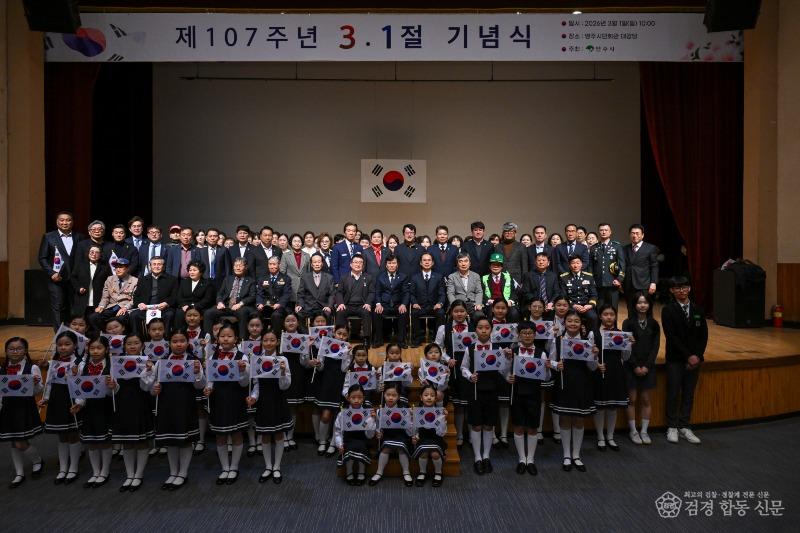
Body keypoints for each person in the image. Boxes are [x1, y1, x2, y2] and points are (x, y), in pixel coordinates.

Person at [150, 329, 205, 491]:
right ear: (169, 343)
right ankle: (173, 472)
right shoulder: (162, 361)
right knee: (171, 440)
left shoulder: (193, 360)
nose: (179, 344)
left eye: (182, 341)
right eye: (175, 341)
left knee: (185, 440)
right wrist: (155, 389)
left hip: (185, 403)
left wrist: (197, 373)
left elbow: (200, 385)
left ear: (188, 343)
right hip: (166, 404)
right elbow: (153, 384)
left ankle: (183, 473)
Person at [551, 311, 599, 473]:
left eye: (576, 321)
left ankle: (576, 455)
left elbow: (592, 367)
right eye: (569, 321)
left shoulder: (587, 341)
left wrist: (594, 356)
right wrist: (556, 365)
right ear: (564, 323)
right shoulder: (558, 340)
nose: (573, 324)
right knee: (564, 418)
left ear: (581, 324)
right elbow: (550, 361)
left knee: (579, 419)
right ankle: (566, 455)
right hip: (564, 383)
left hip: (582, 383)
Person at [662, 276, 707, 445]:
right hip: (676, 358)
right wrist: (688, 356)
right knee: (673, 392)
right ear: (672, 291)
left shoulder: (697, 309)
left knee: (688, 393)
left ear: (689, 288)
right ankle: (672, 426)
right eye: (677, 288)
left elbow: (703, 335)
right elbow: (671, 336)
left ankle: (685, 426)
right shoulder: (668, 310)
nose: (682, 290)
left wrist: (697, 355)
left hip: (694, 359)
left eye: (684, 287)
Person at [203, 322, 250, 485]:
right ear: (217, 339)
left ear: (236, 339)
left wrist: (243, 370)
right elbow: (210, 380)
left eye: (229, 336)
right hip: (218, 399)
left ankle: (234, 467)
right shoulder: (212, 357)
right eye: (222, 336)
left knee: (236, 434)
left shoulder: (242, 357)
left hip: (235, 398)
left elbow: (245, 383)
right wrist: (208, 389)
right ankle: (225, 468)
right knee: (220, 435)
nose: (225, 339)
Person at [461, 316, 507, 475]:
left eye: (487, 327)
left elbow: (503, 370)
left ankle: (486, 456)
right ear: (475, 330)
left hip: (492, 390)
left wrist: (507, 359)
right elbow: (463, 368)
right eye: (480, 327)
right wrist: (470, 376)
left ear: (491, 330)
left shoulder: (498, 349)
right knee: (476, 425)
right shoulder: (469, 349)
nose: (484, 330)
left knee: (488, 425)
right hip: (475, 391)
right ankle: (477, 457)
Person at [110, 334, 155, 492]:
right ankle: (129, 475)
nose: (132, 346)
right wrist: (112, 385)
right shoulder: (117, 362)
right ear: (124, 346)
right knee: (127, 441)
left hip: (140, 403)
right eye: (129, 343)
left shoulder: (148, 362)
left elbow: (147, 387)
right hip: (123, 404)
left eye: (136, 343)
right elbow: (114, 389)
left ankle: (139, 474)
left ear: (142, 345)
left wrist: (147, 370)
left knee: (141, 441)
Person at [246, 331, 292, 484]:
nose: (269, 343)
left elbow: (285, 386)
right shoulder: (256, 359)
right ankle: (268, 466)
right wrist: (253, 397)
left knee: (279, 434)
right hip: (264, 401)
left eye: (272, 340)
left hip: (278, 400)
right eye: (265, 340)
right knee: (265, 435)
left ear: (277, 342)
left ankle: (277, 467)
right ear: (262, 342)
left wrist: (283, 372)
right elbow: (256, 385)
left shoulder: (283, 359)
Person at [506, 321, 552, 475]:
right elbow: (504, 369)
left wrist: (547, 369)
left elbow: (546, 378)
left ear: (535, 335)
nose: (527, 335)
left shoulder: (541, 353)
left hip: (534, 394)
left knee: (533, 428)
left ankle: (530, 459)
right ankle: (522, 459)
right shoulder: (513, 351)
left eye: (530, 333)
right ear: (519, 335)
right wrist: (508, 377)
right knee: (518, 426)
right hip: (517, 393)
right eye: (524, 333)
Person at [0, 337, 45, 489]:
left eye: (19, 348)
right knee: (14, 442)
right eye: (11, 349)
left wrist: (35, 384)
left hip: (23, 408)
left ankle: (37, 461)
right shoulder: (2, 369)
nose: (15, 351)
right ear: (6, 351)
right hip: (7, 408)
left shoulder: (32, 368)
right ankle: (19, 473)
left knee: (20, 442)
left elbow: (39, 391)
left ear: (25, 351)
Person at [38, 330, 82, 484]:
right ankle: (63, 468)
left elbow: (82, 385)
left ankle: (73, 467)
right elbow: (49, 383)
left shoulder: (80, 362)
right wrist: (46, 398)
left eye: (67, 344)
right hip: (57, 399)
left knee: (73, 434)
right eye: (60, 345)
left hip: (71, 399)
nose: (63, 347)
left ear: (75, 345)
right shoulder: (53, 363)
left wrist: (79, 402)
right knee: (61, 435)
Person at [70, 335, 113, 488]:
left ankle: (105, 471)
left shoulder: (111, 366)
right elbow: (81, 388)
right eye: (92, 348)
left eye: (99, 348)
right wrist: (79, 403)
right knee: (91, 441)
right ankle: (95, 472)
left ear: (106, 350)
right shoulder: (83, 367)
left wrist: (111, 386)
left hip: (105, 406)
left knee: (105, 441)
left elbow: (113, 392)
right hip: (89, 408)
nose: (95, 351)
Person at [622, 292, 660, 445]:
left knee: (645, 399)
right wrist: (635, 366)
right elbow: (626, 347)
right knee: (632, 399)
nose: (642, 305)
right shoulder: (627, 323)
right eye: (639, 302)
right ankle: (633, 431)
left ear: (649, 305)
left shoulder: (654, 324)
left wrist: (647, 366)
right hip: (632, 366)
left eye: (645, 302)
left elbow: (655, 347)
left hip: (648, 367)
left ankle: (644, 431)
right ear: (634, 305)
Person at [592, 305, 631, 452]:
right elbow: (588, 354)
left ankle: (610, 436)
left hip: (615, 371)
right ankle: (600, 437)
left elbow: (625, 357)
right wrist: (596, 363)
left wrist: (628, 345)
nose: (609, 317)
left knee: (612, 406)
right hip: (600, 371)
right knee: (600, 406)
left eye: (612, 314)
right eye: (605, 314)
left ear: (615, 317)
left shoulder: (621, 334)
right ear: (600, 316)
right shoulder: (593, 333)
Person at [38, 211, 86, 330]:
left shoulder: (80, 237)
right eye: (62, 220)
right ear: (57, 222)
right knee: (58, 307)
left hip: (75, 279)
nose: (65, 222)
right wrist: (52, 273)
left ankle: (75, 335)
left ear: (72, 222)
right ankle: (60, 336)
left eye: (68, 220)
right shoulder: (48, 237)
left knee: (74, 308)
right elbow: (42, 258)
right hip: (56, 279)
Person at [309, 323, 350, 457]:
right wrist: (318, 363)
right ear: (334, 334)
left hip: (339, 383)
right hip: (326, 383)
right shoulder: (325, 344)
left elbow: (344, 369)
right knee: (326, 416)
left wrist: (347, 354)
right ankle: (322, 441)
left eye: (344, 335)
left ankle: (333, 443)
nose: (341, 337)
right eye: (339, 333)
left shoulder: (347, 349)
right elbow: (320, 367)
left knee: (337, 416)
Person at [435, 300, 470, 448]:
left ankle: (470, 433)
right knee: (458, 403)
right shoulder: (444, 328)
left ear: (466, 312)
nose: (459, 314)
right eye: (456, 311)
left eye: (462, 311)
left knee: (470, 402)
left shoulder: (473, 327)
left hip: (470, 368)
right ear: (451, 313)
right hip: (453, 368)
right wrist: (447, 359)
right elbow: (437, 348)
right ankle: (459, 434)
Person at [369, 386, 413, 487]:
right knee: (386, 448)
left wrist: (410, 417)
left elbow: (409, 430)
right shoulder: (380, 411)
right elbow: (378, 426)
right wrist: (378, 432)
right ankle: (379, 472)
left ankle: (406, 472)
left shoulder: (403, 410)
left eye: (394, 395)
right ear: (384, 395)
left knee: (401, 449)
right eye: (388, 395)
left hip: (401, 435)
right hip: (387, 436)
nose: (390, 398)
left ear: (398, 397)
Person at [334, 384, 376, 486]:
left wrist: (372, 419)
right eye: (353, 397)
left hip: (363, 439)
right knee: (349, 448)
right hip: (348, 439)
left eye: (359, 397)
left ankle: (361, 471)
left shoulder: (367, 412)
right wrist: (339, 444)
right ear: (348, 398)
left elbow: (370, 435)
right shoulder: (343, 413)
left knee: (361, 446)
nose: (356, 400)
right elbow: (338, 431)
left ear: (364, 398)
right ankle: (349, 471)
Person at [204, 258, 257, 338]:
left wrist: (240, 304)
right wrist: (220, 302)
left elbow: (252, 296)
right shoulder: (228, 279)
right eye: (236, 266)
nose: (238, 268)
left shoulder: (250, 281)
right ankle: (208, 340)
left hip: (240, 307)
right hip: (226, 306)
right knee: (208, 313)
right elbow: (220, 293)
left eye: (240, 266)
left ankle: (242, 340)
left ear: (246, 267)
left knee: (243, 313)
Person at [89, 258, 138, 341]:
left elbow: (135, 299)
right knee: (94, 317)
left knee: (121, 319)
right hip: (111, 307)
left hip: (124, 308)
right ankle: (105, 337)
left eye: (121, 267)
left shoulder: (135, 281)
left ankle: (124, 340)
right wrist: (101, 306)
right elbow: (105, 297)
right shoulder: (110, 279)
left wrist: (125, 307)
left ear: (127, 269)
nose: (117, 269)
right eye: (116, 267)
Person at [130, 256, 178, 337]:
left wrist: (166, 303)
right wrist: (140, 304)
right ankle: (137, 339)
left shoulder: (172, 279)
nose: (156, 266)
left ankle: (166, 340)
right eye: (154, 264)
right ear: (150, 266)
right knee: (134, 315)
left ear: (163, 266)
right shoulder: (142, 279)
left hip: (163, 309)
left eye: (159, 264)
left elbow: (175, 296)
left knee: (169, 315)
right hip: (146, 308)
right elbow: (136, 296)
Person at [412, 384, 448, 487]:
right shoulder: (417, 411)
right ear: (421, 397)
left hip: (436, 439)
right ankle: (422, 472)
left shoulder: (439, 412)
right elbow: (415, 428)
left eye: (432, 395)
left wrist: (443, 419)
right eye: (426, 395)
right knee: (423, 452)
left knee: (435, 454)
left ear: (436, 398)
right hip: (423, 438)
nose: (429, 397)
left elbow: (442, 433)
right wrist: (415, 436)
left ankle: (438, 473)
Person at [408, 252, 446, 347]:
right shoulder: (415, 277)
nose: (427, 262)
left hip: (434, 306)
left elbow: (442, 293)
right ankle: (417, 339)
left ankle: (438, 340)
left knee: (441, 312)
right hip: (420, 306)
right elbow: (411, 294)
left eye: (429, 260)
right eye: (424, 260)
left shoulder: (439, 276)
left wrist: (440, 303)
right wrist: (414, 303)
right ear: (421, 263)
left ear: (432, 263)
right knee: (414, 313)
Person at [334, 254, 375, 342]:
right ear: (351, 264)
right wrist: (340, 303)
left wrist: (368, 303)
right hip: (347, 305)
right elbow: (339, 292)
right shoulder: (344, 277)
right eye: (355, 262)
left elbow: (372, 292)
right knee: (340, 312)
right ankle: (341, 339)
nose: (358, 264)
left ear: (363, 265)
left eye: (360, 262)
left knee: (367, 312)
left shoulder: (368, 277)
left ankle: (366, 339)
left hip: (362, 305)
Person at [623, 224, 660, 319]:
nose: (635, 235)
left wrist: (653, 283)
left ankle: (646, 328)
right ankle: (632, 327)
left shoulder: (651, 248)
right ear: (629, 235)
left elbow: (654, 266)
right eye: (632, 233)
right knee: (630, 310)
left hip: (644, 285)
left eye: (637, 233)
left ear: (642, 235)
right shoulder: (625, 249)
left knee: (645, 311)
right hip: (629, 285)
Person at [372, 254, 409, 347]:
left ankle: (401, 341)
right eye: (389, 263)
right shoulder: (380, 277)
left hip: (398, 305)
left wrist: (403, 304)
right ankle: (378, 340)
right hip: (384, 305)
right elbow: (377, 292)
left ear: (397, 264)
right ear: (386, 265)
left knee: (403, 312)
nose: (391, 265)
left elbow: (406, 293)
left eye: (394, 263)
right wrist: (378, 304)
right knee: (376, 312)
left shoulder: (403, 276)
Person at [590, 223, 626, 315]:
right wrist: (591, 280)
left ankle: (613, 325)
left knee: (613, 309)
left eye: (606, 230)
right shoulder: (594, 247)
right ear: (599, 232)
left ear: (610, 232)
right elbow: (590, 266)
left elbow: (622, 265)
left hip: (612, 283)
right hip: (598, 284)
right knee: (599, 310)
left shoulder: (617, 246)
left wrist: (619, 279)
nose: (603, 232)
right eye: (601, 230)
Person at [70, 244, 111, 319]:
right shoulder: (80, 264)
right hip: (82, 298)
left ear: (100, 255)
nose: (94, 254)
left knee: (94, 320)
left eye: (97, 252)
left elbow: (109, 281)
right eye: (92, 252)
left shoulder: (105, 267)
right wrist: (78, 288)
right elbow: (73, 278)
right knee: (81, 320)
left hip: (98, 298)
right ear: (88, 253)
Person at [559, 255, 598, 332]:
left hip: (586, 306)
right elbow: (563, 296)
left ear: (581, 264)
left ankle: (590, 336)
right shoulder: (564, 277)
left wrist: (590, 305)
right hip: (571, 306)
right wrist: (573, 305)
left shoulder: (588, 276)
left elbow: (594, 295)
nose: (575, 265)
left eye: (578, 263)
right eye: (573, 263)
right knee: (571, 318)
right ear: (569, 265)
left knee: (593, 317)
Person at [174, 260, 216, 331]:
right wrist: (183, 305)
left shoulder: (207, 283)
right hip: (185, 307)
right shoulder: (184, 282)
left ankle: (203, 334)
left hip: (200, 307)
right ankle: (179, 333)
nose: (191, 272)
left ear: (201, 272)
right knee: (179, 313)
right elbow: (179, 297)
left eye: (194, 270)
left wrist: (193, 306)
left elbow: (207, 299)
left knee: (205, 314)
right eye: (190, 270)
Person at [296, 253, 335, 325]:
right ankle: (305, 332)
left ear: (322, 264)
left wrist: (329, 306)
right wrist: (300, 305)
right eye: (315, 262)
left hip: (323, 306)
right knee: (299, 313)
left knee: (328, 313)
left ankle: (326, 333)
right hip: (308, 307)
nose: (317, 264)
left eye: (319, 262)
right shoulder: (305, 277)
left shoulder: (329, 277)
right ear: (311, 264)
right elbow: (300, 293)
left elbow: (332, 294)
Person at [482, 253, 521, 323]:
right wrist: (488, 300)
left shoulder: (508, 277)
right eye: (493, 264)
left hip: (506, 303)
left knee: (514, 312)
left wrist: (511, 301)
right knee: (490, 312)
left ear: (502, 266)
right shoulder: (484, 278)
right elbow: (481, 293)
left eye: (498, 265)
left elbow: (514, 292)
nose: (495, 266)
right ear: (490, 266)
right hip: (491, 304)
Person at [257, 256, 292, 335]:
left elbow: (287, 294)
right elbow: (259, 294)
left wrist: (280, 303)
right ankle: (261, 337)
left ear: (279, 265)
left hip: (280, 307)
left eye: (274, 264)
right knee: (255, 314)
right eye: (270, 264)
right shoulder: (262, 278)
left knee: (276, 315)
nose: (272, 266)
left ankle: (277, 337)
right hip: (265, 306)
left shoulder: (286, 278)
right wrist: (259, 303)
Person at [445, 253, 484, 320]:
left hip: (472, 304)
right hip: (458, 303)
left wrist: (478, 303)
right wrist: (455, 305)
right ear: (457, 264)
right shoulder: (452, 277)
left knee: (479, 315)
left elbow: (479, 292)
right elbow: (450, 293)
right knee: (453, 316)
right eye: (460, 261)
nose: (463, 264)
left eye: (466, 261)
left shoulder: (476, 276)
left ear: (470, 263)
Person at [191, 227, 230, 292]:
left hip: (220, 282)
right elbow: (197, 267)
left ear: (218, 238)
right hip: (204, 282)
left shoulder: (224, 250)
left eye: (215, 236)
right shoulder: (200, 251)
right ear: (206, 238)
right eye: (210, 236)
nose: (212, 238)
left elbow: (227, 267)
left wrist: (227, 282)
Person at [522, 252, 560, 316]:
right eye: (539, 260)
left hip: (549, 304)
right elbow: (526, 292)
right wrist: (538, 303)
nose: (541, 262)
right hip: (533, 304)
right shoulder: (528, 275)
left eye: (544, 260)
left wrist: (551, 302)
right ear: (535, 262)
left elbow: (557, 292)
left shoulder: (553, 276)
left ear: (548, 263)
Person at [279, 233, 311, 306]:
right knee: (290, 308)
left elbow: (309, 272)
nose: (297, 243)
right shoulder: (285, 255)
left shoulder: (307, 255)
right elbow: (282, 272)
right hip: (290, 286)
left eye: (299, 241)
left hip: (304, 287)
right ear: (291, 243)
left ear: (302, 243)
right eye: (295, 241)